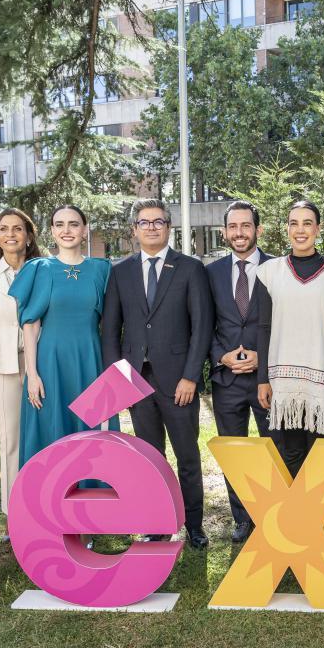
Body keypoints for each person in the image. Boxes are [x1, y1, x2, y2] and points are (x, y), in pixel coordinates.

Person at [102, 198, 213, 548]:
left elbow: (202, 327)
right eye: (144, 222)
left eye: (158, 221)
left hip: (179, 381)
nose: (151, 227)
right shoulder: (119, 271)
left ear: (168, 227)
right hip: (137, 381)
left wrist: (191, 376)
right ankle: (158, 523)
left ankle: (195, 525)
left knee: (187, 456)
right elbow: (110, 331)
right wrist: (119, 380)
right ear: (135, 230)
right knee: (150, 459)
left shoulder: (190, 268)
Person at [256, 200, 324, 547]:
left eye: (307, 223)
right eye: (293, 223)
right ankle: (295, 545)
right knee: (290, 461)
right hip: (283, 385)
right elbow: (264, 327)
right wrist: (262, 378)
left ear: (318, 229)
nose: (300, 229)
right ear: (286, 228)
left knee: (322, 468)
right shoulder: (269, 272)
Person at [10, 204, 118, 478]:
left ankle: (95, 504)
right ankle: (47, 505)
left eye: (73, 224)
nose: (66, 230)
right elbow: (31, 327)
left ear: (85, 230)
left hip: (91, 362)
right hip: (50, 365)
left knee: (92, 432)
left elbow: (113, 323)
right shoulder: (39, 269)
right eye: (59, 224)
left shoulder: (102, 270)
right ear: (52, 231)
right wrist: (32, 374)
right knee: (50, 430)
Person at [207, 200, 272, 543]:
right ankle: (243, 518)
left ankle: (271, 516)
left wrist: (265, 357)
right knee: (235, 453)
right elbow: (204, 325)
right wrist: (222, 357)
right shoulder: (212, 273)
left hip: (267, 380)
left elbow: (287, 324)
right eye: (233, 227)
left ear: (257, 230)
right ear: (224, 232)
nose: (239, 233)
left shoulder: (279, 268)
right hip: (227, 379)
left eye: (246, 226)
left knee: (271, 451)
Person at [0, 207, 42, 517]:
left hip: (40, 364)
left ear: (28, 236)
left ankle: (47, 507)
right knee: (10, 439)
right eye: (4, 229)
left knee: (43, 436)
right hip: (2, 368)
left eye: (17, 228)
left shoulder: (44, 270)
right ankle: (15, 513)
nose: (10, 234)